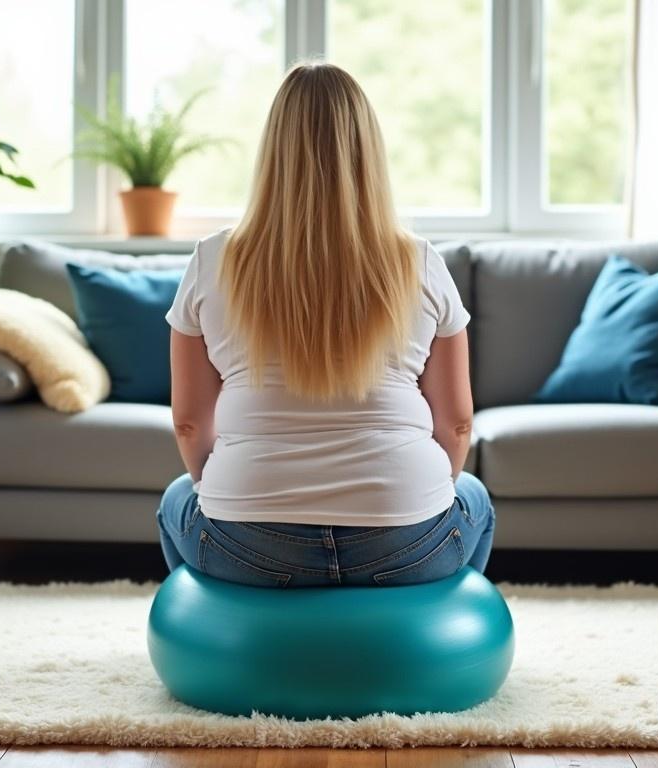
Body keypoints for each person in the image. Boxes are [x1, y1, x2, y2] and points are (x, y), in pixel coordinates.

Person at [156, 61, 493, 588]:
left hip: (250, 545)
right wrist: (417, 498)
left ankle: (233, 647)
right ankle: (427, 651)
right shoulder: (420, 261)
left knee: (177, 498)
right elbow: (455, 425)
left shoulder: (210, 260)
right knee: (474, 498)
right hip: (405, 539)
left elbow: (190, 424)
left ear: (273, 152)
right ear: (369, 152)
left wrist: (231, 494)